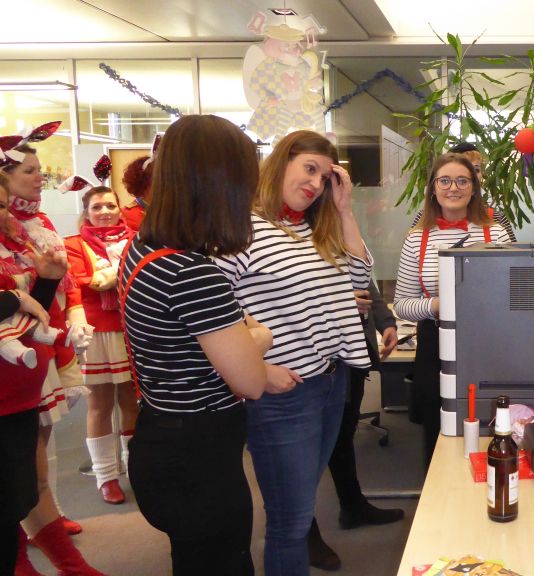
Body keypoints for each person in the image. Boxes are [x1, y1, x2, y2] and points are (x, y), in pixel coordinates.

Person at [215, 130, 372, 575]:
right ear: (280, 163)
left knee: (298, 510)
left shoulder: (314, 228)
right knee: (291, 521)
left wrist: (344, 210)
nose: (316, 183)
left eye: (325, 176)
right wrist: (257, 368)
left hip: (330, 381)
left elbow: (360, 277)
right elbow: (210, 308)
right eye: (309, 169)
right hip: (283, 395)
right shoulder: (241, 229)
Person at [120, 115, 270, 575]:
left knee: (194, 560)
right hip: (198, 456)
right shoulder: (192, 273)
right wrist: (258, 336)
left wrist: (241, 333)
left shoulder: (143, 248)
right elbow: (250, 380)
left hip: (162, 434)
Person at [1, 126, 103, 574]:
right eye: (28, 171)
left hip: (30, 361)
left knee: (30, 470)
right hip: (12, 368)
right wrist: (18, 297)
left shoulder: (31, 230)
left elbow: (45, 301)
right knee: (19, 474)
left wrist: (51, 296)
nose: (38, 178)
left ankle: (54, 554)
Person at [394, 154, 512, 466]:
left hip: (488, 343)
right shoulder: (416, 239)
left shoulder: (496, 234)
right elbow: (402, 304)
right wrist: (436, 305)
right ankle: (439, 491)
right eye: (444, 180)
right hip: (435, 343)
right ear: (433, 188)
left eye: (462, 181)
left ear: (474, 188)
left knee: (490, 422)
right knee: (437, 426)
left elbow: (512, 297)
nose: (453, 187)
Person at [307, 282, 402, 571]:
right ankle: (302, 530)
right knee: (305, 451)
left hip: (351, 356)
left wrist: (386, 323)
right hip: (308, 359)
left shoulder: (341, 253)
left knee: (343, 433)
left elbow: (366, 286)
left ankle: (352, 505)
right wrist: (338, 300)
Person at [64, 186, 137, 505]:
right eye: (97, 207)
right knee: (100, 405)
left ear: (120, 208)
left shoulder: (136, 238)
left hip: (132, 328)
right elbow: (83, 282)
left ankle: (136, 469)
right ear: (86, 211)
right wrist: (121, 271)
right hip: (97, 332)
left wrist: (109, 275)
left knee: (132, 402)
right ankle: (106, 476)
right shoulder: (74, 244)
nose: (104, 212)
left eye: (110, 205)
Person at [411, 142, 518, 241]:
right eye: (445, 180)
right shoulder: (424, 221)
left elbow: (512, 253)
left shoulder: (497, 221)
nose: (454, 188)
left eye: (476, 170)